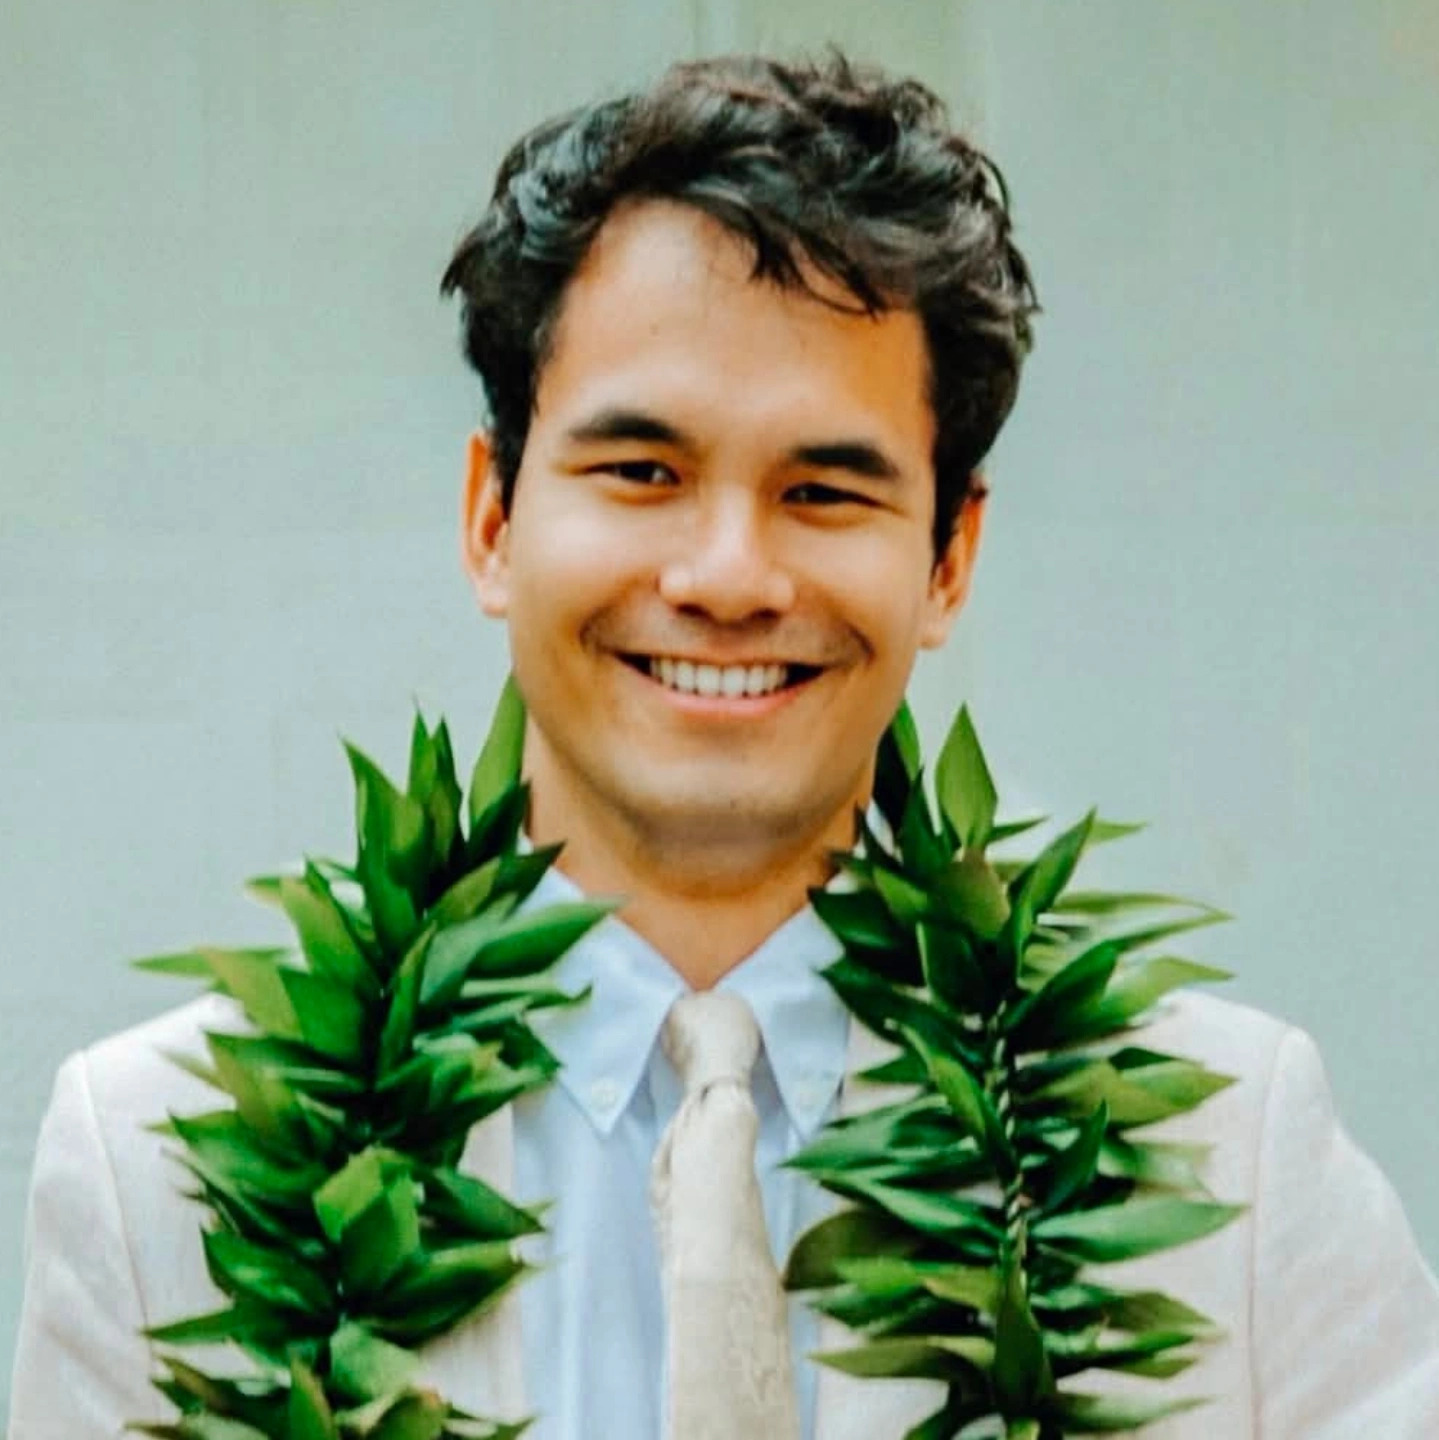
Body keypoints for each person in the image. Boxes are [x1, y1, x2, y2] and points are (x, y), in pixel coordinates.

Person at [10, 51, 1439, 1440]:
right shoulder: (154, 1180)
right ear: (492, 518)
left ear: (949, 559)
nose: (729, 576)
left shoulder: (1237, 1174)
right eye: (644, 470)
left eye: (825, 491)